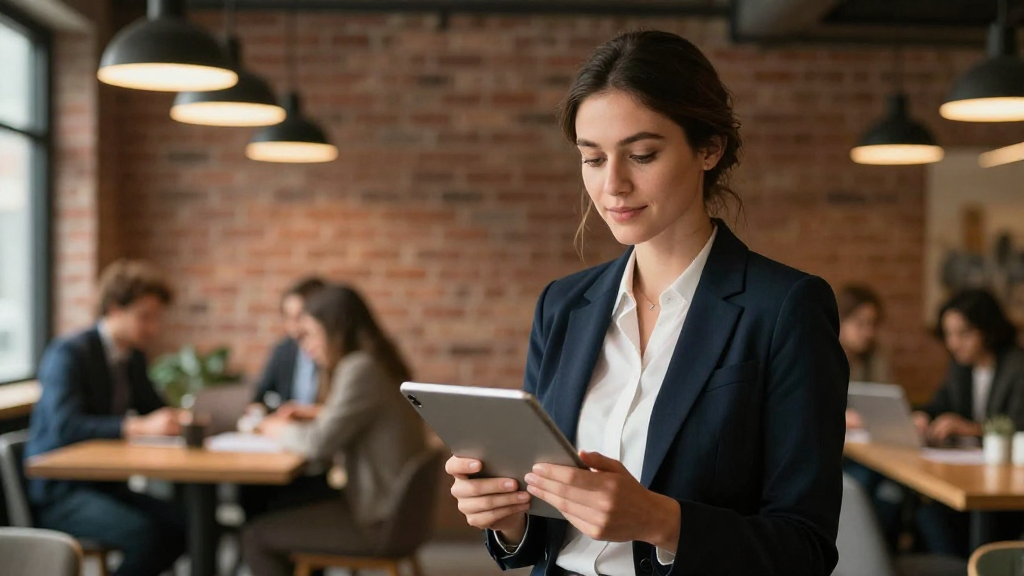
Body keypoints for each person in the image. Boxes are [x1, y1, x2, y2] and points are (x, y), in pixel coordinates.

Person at [445, 30, 849, 576]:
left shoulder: (784, 309)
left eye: (641, 155)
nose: (613, 185)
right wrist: (508, 516)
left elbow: (805, 550)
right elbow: (544, 528)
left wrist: (662, 521)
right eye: (592, 159)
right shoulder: (563, 305)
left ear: (709, 149)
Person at [242, 284, 427, 576]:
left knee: (256, 534)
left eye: (312, 335)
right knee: (283, 500)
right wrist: (318, 413)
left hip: (376, 520)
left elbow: (318, 444)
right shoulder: (379, 362)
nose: (307, 347)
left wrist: (274, 427)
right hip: (399, 515)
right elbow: (362, 420)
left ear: (336, 331)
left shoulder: (359, 369)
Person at [24, 259, 186, 576]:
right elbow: (66, 426)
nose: (153, 328)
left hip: (105, 485)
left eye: (156, 318)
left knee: (184, 524)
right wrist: (138, 426)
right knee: (147, 535)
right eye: (144, 317)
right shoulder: (69, 353)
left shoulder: (132, 358)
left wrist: (175, 420)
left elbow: (152, 409)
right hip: (61, 491)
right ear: (114, 309)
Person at [912, 288, 1024, 557]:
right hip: (970, 474)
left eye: (963, 333)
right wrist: (924, 416)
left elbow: (1019, 425)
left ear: (987, 330)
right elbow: (940, 403)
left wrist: (971, 428)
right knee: (924, 509)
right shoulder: (960, 366)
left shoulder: (1017, 366)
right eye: (949, 334)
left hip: (1005, 483)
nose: (954, 343)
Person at [837, 283, 903, 551]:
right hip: (838, 456)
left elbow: (885, 403)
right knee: (865, 482)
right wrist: (843, 417)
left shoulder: (875, 357)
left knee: (896, 487)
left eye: (873, 324)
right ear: (841, 320)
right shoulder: (823, 353)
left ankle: (880, 555)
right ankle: (863, 552)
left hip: (871, 452)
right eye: (860, 323)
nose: (868, 332)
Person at [251, 276, 327, 411]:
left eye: (300, 317)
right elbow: (260, 397)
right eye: (288, 317)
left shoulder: (332, 354)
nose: (293, 327)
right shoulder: (283, 350)